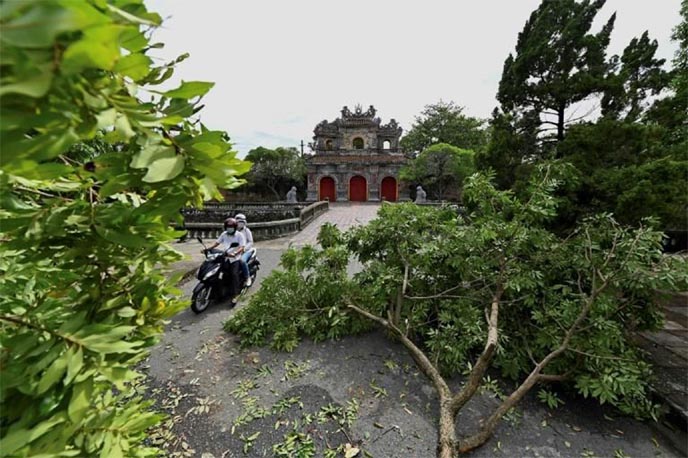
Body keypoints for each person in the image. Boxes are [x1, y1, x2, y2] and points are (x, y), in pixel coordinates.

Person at [203, 218, 246, 298]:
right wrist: (208, 249)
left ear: (235, 227)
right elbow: (217, 243)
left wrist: (235, 253)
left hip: (235, 258)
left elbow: (242, 247)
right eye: (228, 227)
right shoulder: (224, 234)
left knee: (234, 275)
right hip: (225, 256)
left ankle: (235, 294)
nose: (229, 228)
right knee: (217, 271)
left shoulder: (239, 235)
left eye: (231, 227)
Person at [235, 213, 254, 287]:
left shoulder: (246, 231)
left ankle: (247, 278)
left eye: (242, 222)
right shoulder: (233, 231)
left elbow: (251, 242)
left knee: (242, 261)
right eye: (239, 222)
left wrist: (244, 249)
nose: (240, 224)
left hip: (246, 251)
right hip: (235, 251)